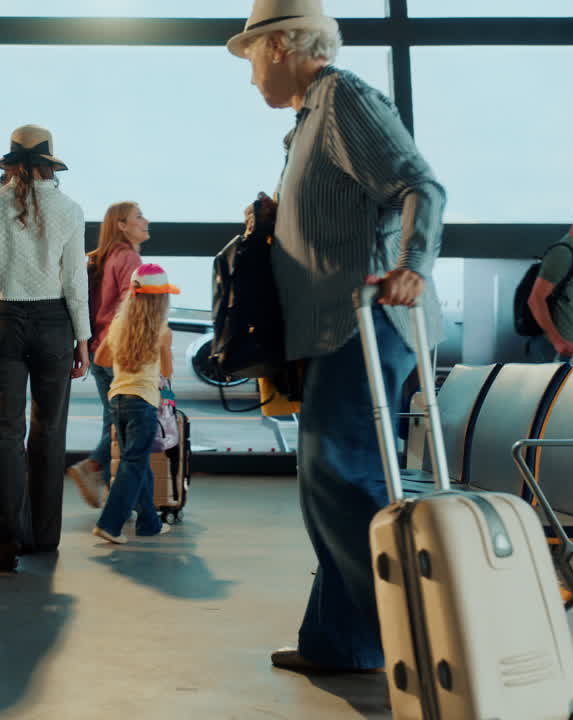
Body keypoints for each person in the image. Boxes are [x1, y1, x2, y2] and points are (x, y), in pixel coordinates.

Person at [227, 0, 446, 673]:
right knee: (326, 479)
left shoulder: (344, 97)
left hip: (366, 319)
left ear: (284, 46)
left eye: (254, 57)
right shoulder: (306, 122)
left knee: (341, 475)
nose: (252, 74)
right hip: (329, 327)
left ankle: (405, 633)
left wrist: (413, 264)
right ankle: (339, 643)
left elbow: (420, 184)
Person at [0, 124, 91, 573]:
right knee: (49, 428)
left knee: (4, 430)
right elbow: (76, 281)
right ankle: (42, 535)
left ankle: (5, 544)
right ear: (48, 164)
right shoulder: (69, 209)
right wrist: (83, 340)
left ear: (10, 164)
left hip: (2, 322)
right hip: (55, 323)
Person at [65, 202, 149, 509]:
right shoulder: (128, 258)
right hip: (117, 353)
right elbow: (130, 311)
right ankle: (96, 469)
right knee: (129, 428)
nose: (146, 221)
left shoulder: (103, 258)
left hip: (99, 351)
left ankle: (112, 487)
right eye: (139, 216)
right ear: (122, 226)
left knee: (111, 422)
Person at [90, 263, 178, 544]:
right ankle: (109, 524)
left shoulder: (118, 325)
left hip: (117, 399)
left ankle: (149, 523)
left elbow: (101, 360)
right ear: (161, 298)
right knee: (134, 463)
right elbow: (166, 371)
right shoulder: (162, 331)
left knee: (139, 464)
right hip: (143, 402)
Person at [525, 200, 573, 364]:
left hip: (572, 351)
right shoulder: (562, 253)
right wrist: (557, 341)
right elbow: (535, 299)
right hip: (556, 351)